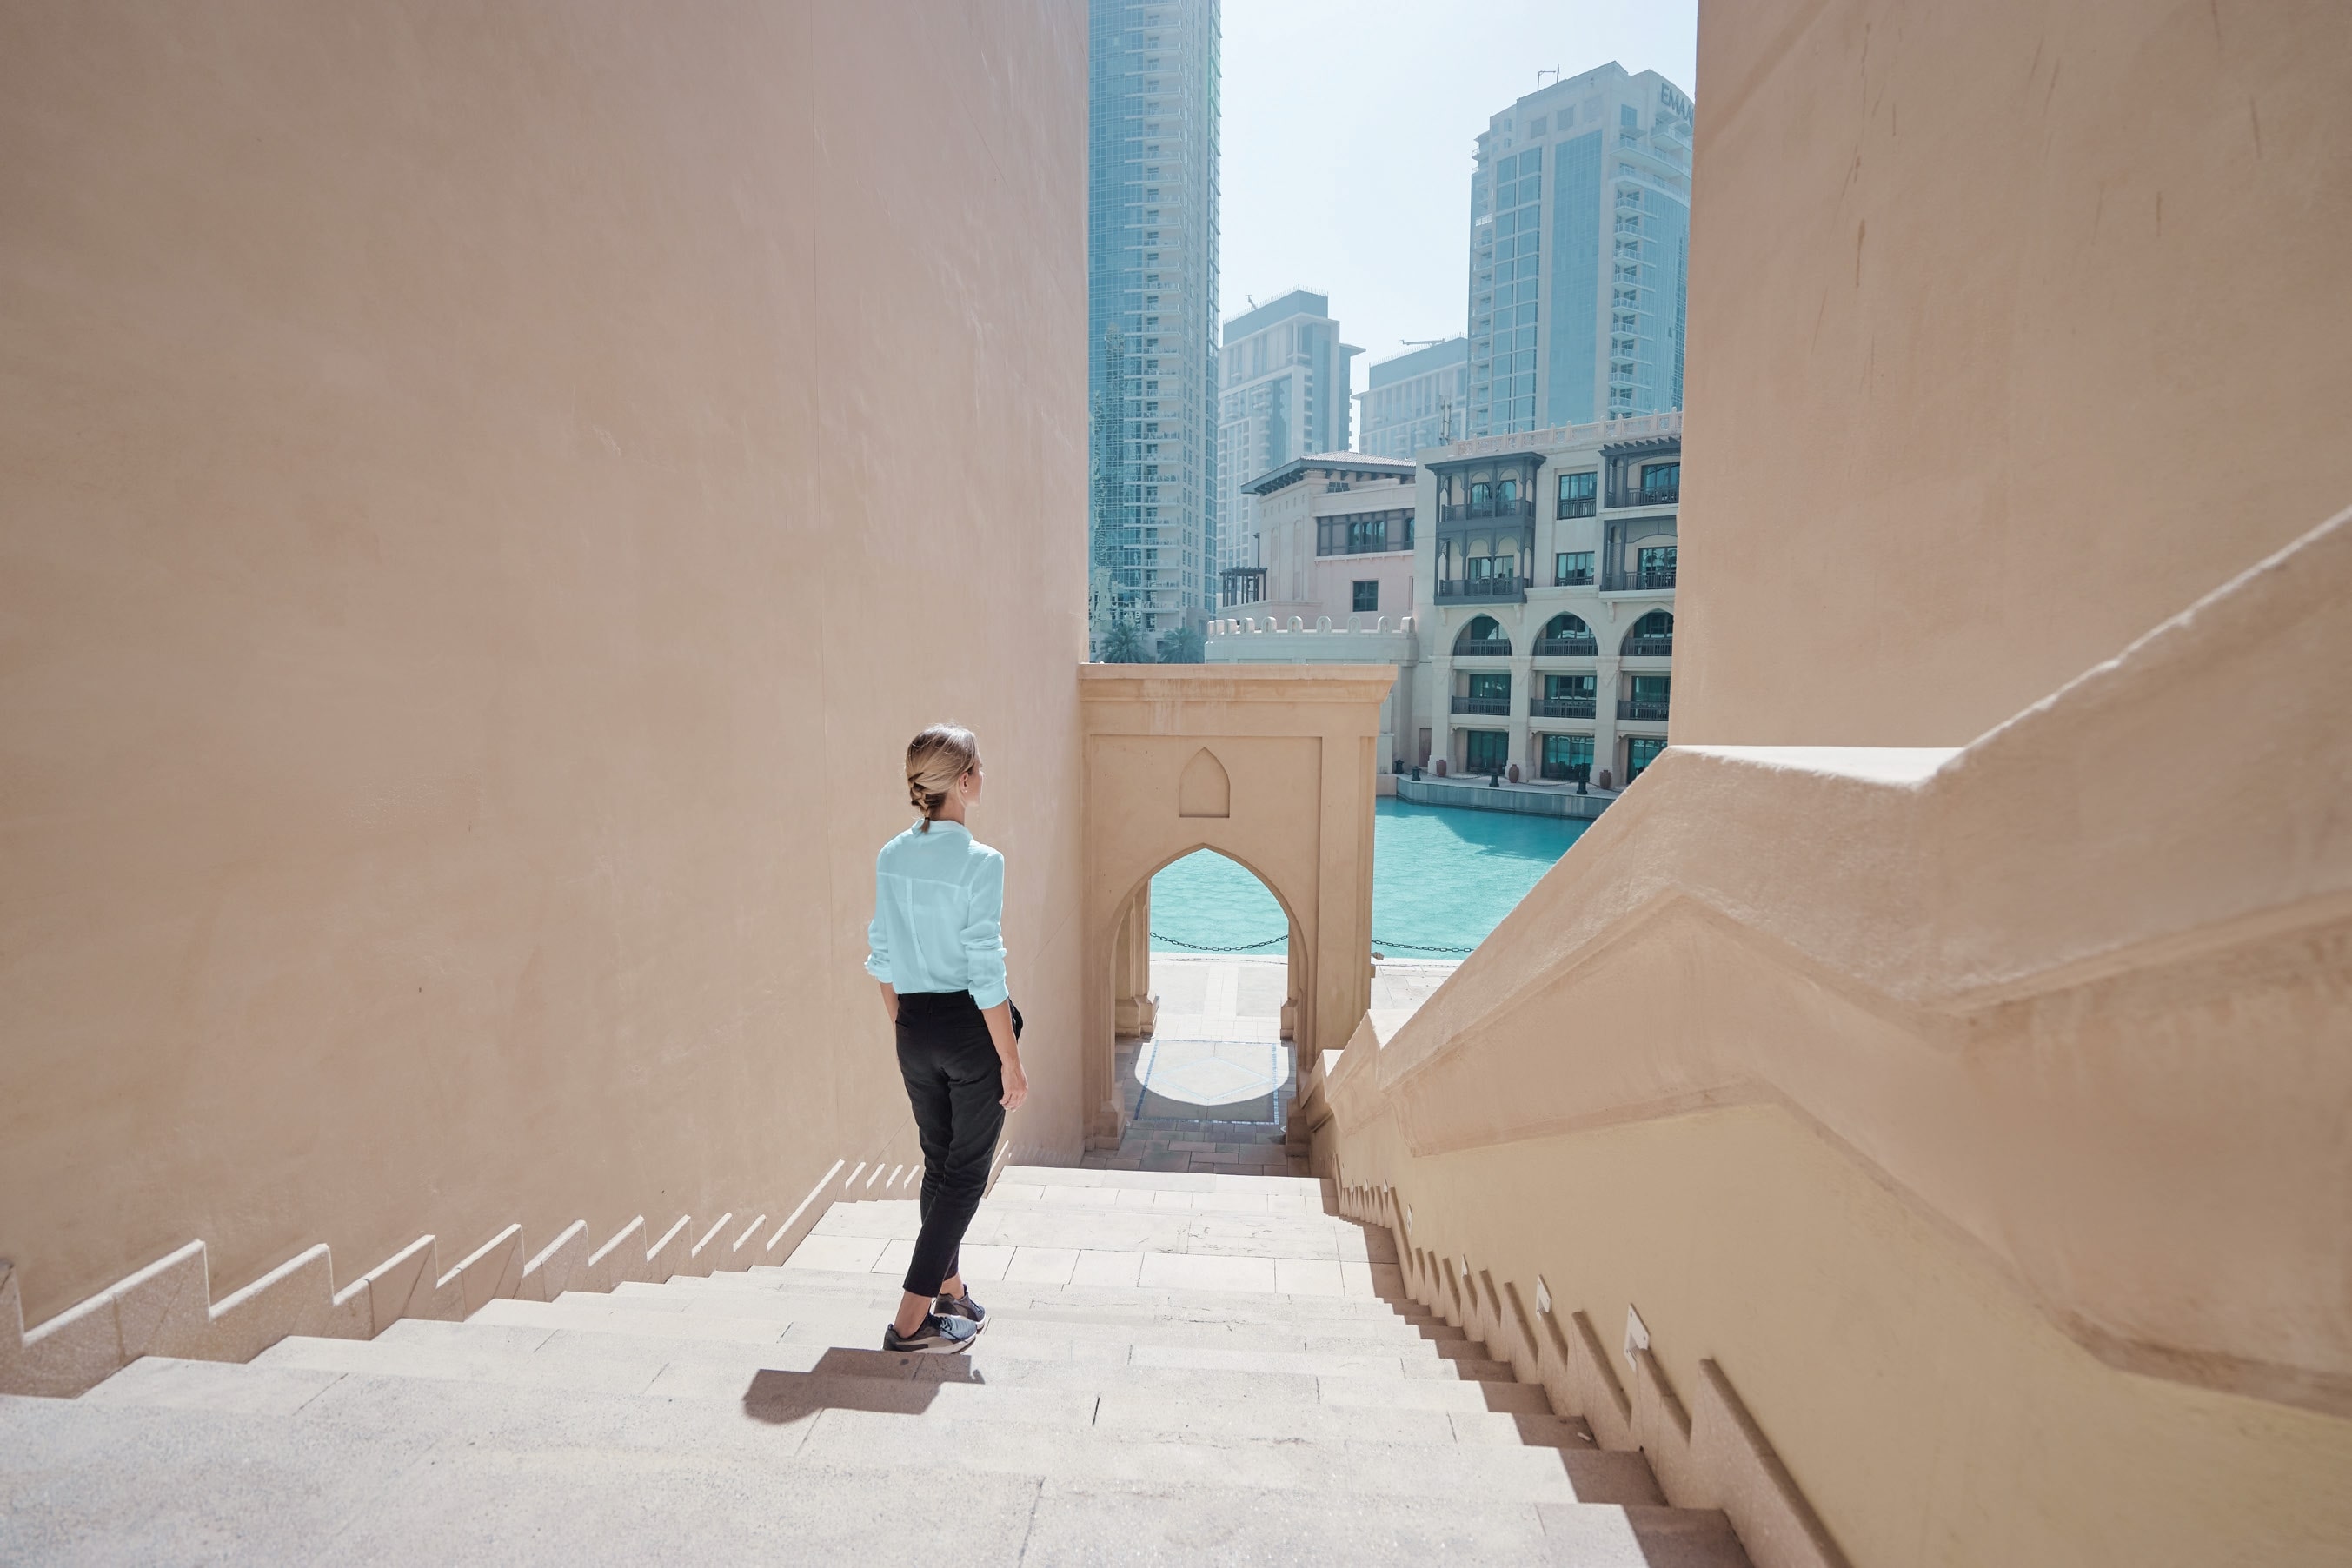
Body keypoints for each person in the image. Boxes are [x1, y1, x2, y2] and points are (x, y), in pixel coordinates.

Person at [864, 723, 1029, 1352]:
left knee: (939, 1165)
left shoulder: (890, 854)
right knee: (963, 1178)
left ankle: (950, 1290)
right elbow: (985, 969)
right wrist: (1010, 1064)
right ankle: (910, 1323)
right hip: (967, 1030)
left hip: (912, 1024)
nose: (983, 772)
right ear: (962, 781)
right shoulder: (982, 862)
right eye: (978, 765)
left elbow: (880, 956)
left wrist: (908, 1029)